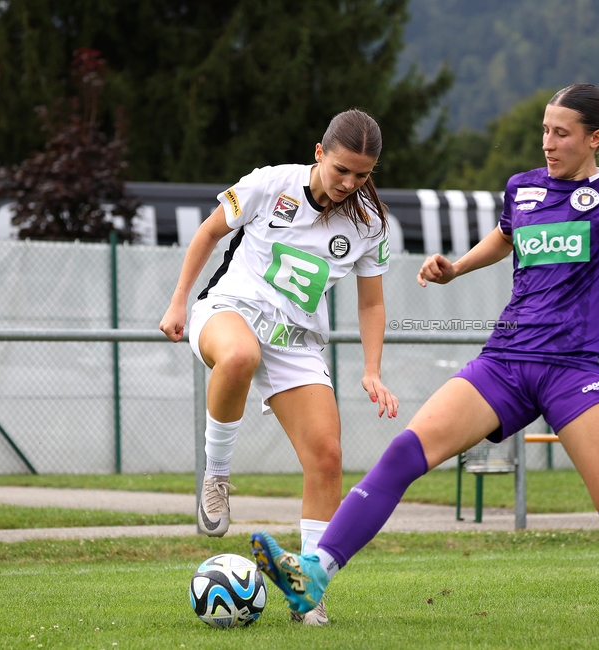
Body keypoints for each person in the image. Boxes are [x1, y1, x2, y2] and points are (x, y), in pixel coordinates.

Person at [252, 16, 599, 636]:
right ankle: (315, 570)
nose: (547, 142)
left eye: (561, 134)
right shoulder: (524, 189)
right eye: (543, 129)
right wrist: (457, 267)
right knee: (407, 451)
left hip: (577, 371)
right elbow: (509, 238)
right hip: (506, 361)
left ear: (596, 139)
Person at [159, 108, 399, 626]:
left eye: (362, 175)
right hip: (229, 311)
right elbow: (207, 235)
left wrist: (372, 369)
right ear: (319, 153)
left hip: (296, 340)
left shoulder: (371, 224)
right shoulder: (270, 184)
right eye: (341, 170)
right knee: (240, 355)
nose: (349, 183)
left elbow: (372, 305)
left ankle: (308, 591)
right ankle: (216, 477)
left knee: (328, 458)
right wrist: (178, 302)